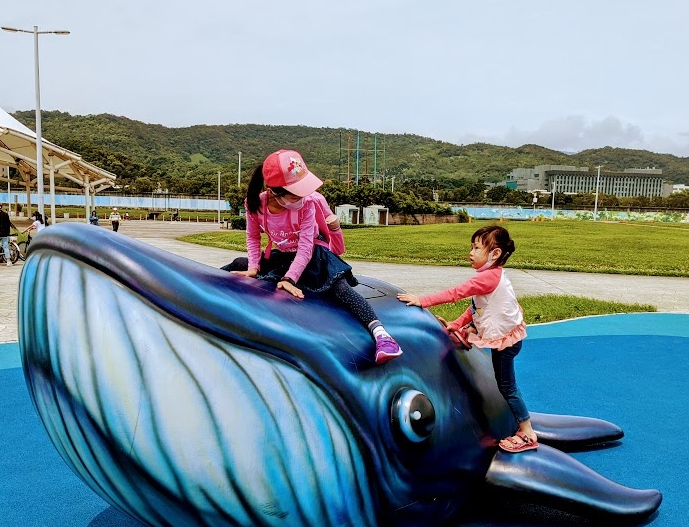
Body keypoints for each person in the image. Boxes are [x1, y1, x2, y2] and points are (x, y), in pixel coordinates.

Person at [222, 149, 402, 365]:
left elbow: (306, 246)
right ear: (273, 191)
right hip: (282, 256)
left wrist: (289, 279)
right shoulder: (255, 204)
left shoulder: (307, 204)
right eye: (295, 194)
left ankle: (382, 335)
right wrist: (253, 267)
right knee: (238, 265)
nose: (302, 197)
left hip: (313, 257)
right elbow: (252, 237)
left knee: (340, 289)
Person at [397, 225, 535, 452]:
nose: (471, 252)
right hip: (504, 330)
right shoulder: (491, 276)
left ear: (495, 254)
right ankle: (465, 335)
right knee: (502, 377)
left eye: (477, 248)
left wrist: (423, 300)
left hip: (506, 340)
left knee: (507, 386)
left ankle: (527, 432)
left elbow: (456, 293)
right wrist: (457, 324)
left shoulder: (487, 278)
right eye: (471, 247)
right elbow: (474, 307)